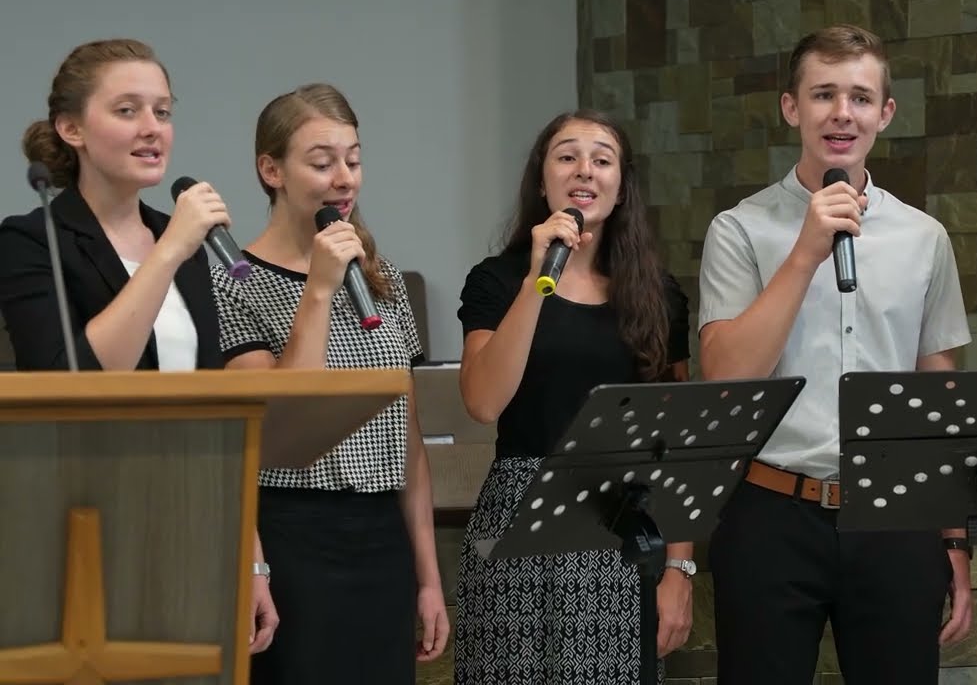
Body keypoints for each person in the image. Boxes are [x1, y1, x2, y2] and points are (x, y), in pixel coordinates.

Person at [696, 24, 974, 683]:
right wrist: (805, 252)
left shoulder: (924, 237)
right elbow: (725, 372)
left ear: (885, 113)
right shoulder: (740, 229)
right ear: (792, 108)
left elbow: (935, 395)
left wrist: (953, 537)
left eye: (859, 96)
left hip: (894, 515)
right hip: (771, 510)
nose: (841, 113)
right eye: (822, 94)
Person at [0, 38, 279, 651]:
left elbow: (220, 412)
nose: (152, 129)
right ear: (71, 128)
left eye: (163, 111)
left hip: (195, 517)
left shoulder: (182, 239)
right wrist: (173, 247)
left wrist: (252, 557)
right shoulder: (31, 240)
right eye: (127, 110)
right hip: (84, 524)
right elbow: (74, 375)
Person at [211, 83, 449, 684]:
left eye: (354, 159)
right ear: (272, 170)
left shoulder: (382, 278)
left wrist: (427, 576)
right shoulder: (229, 282)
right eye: (321, 163)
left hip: (381, 537)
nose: (344, 178)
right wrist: (317, 289)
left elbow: (408, 439)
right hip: (292, 534)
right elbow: (279, 423)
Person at [453, 108, 694, 684]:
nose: (584, 170)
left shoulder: (658, 295)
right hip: (515, 517)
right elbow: (484, 402)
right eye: (566, 156)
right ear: (543, 180)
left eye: (602, 159)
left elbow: (677, 442)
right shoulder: (497, 280)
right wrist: (541, 279)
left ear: (621, 184)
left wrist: (680, 566)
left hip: (619, 520)